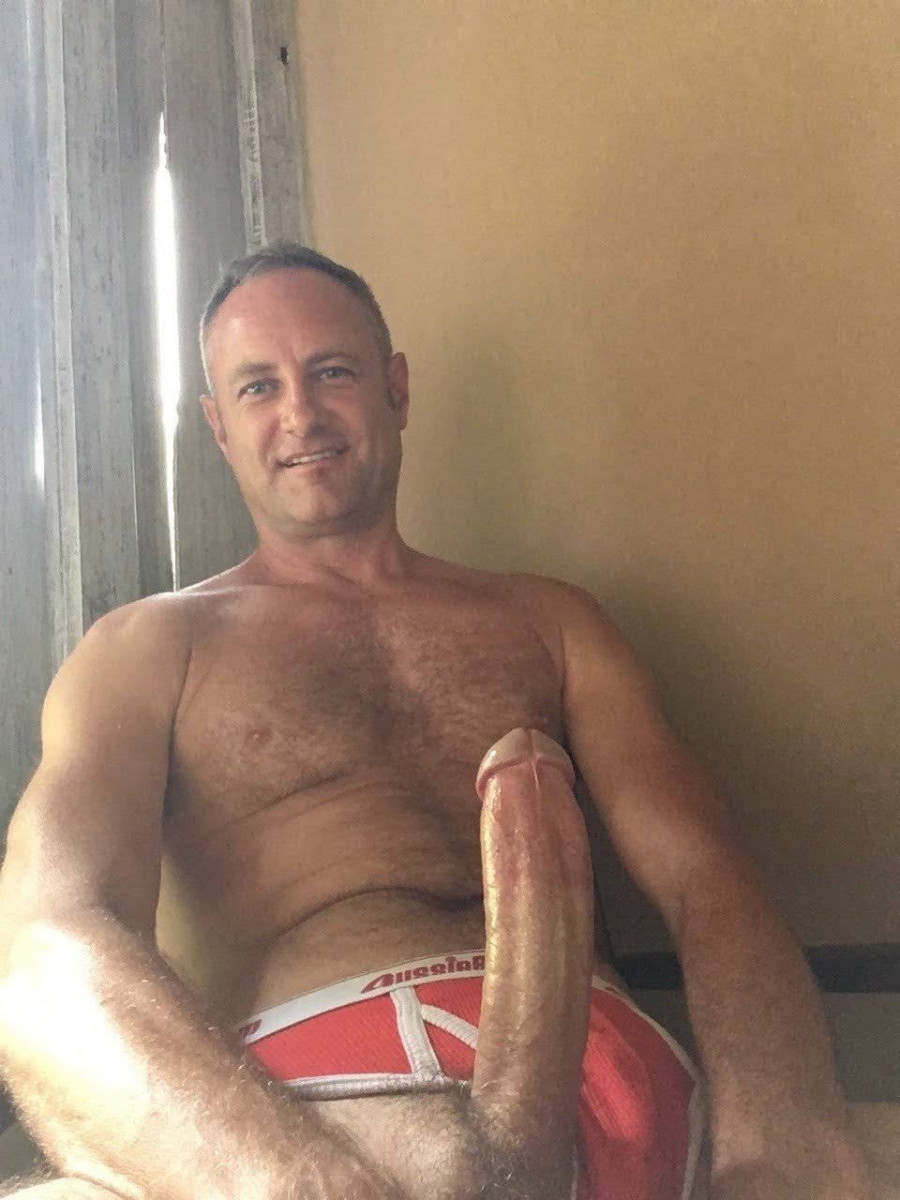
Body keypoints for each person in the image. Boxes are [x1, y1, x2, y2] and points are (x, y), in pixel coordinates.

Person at [0, 245, 866, 1200]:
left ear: (396, 389)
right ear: (219, 428)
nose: (300, 414)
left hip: (599, 1061)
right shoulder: (148, 649)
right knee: (447, 1165)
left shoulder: (550, 623)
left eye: (332, 371)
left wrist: (784, 1129)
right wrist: (292, 1181)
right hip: (311, 1093)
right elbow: (47, 942)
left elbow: (704, 871)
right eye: (258, 387)